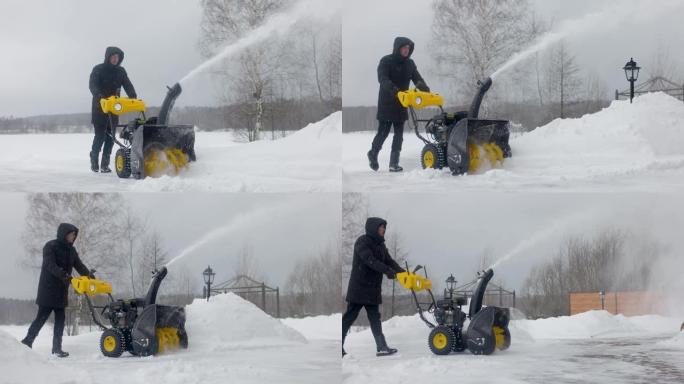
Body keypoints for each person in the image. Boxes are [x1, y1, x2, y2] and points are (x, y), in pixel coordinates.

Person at [21, 223, 92, 357]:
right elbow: (50, 265)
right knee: (41, 318)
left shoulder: (72, 250)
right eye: (72, 234)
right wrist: (64, 275)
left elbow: (79, 265)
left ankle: (57, 349)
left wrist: (89, 276)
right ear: (64, 234)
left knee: (60, 320)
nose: (73, 236)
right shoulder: (50, 246)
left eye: (75, 235)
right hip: (48, 290)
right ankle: (27, 342)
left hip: (61, 291)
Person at [342, 217, 405, 357]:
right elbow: (370, 260)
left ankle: (381, 347)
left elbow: (389, 261)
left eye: (384, 227)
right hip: (359, 288)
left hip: (372, 289)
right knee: (349, 318)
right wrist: (388, 271)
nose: (383, 229)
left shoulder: (381, 245)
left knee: (375, 319)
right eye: (381, 227)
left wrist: (403, 273)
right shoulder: (362, 242)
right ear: (373, 228)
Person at [368, 36, 430, 172]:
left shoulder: (410, 64)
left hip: (402, 103)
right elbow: (382, 79)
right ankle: (373, 153)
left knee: (399, 134)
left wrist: (425, 89)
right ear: (398, 48)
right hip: (387, 102)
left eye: (409, 48)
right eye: (404, 48)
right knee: (383, 133)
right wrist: (394, 90)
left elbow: (417, 79)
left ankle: (394, 163)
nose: (407, 50)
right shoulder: (386, 61)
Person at [88, 46, 137, 173]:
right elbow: (92, 84)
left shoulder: (121, 71)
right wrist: (98, 95)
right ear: (108, 57)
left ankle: (105, 164)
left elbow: (127, 84)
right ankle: (94, 159)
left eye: (117, 57)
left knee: (110, 137)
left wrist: (132, 95)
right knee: (100, 136)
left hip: (114, 107)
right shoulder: (98, 69)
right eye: (113, 57)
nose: (115, 59)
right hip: (100, 107)